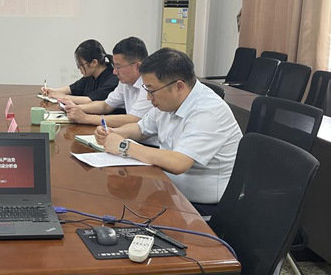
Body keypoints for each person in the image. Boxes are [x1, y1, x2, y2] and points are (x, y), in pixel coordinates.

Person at [94, 48, 242, 215]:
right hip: (169, 193)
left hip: (201, 209)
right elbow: (141, 128)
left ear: (178, 86)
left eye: (151, 90)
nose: (149, 98)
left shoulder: (208, 111)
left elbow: (178, 163)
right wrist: (114, 133)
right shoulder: (168, 102)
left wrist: (123, 146)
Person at [61, 37, 153, 128]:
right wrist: (76, 108)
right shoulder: (125, 82)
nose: (114, 72)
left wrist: (86, 118)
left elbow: (134, 119)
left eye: (118, 67)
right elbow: (106, 105)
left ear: (137, 66)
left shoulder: (149, 85)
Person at [40, 39, 119, 104]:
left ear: (94, 63)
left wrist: (61, 97)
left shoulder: (112, 79)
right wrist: (52, 91)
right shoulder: (91, 75)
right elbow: (71, 89)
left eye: (81, 64)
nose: (79, 68)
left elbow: (90, 100)